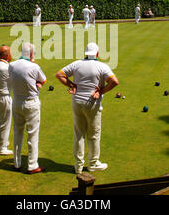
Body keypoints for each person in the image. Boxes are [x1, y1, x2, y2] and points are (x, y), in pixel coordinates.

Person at [55, 42, 119, 174]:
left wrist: (72, 85)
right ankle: (93, 163)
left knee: (79, 134)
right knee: (94, 134)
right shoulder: (102, 66)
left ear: (86, 53)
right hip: (92, 103)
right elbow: (114, 81)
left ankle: (78, 166)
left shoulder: (76, 64)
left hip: (77, 101)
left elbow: (59, 75)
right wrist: (101, 91)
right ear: (97, 54)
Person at [9, 43, 47, 174]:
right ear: (31, 54)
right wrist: (37, 84)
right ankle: (32, 165)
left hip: (17, 101)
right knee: (32, 135)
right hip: (31, 103)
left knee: (17, 133)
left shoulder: (12, 65)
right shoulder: (34, 66)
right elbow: (43, 80)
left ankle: (16, 162)